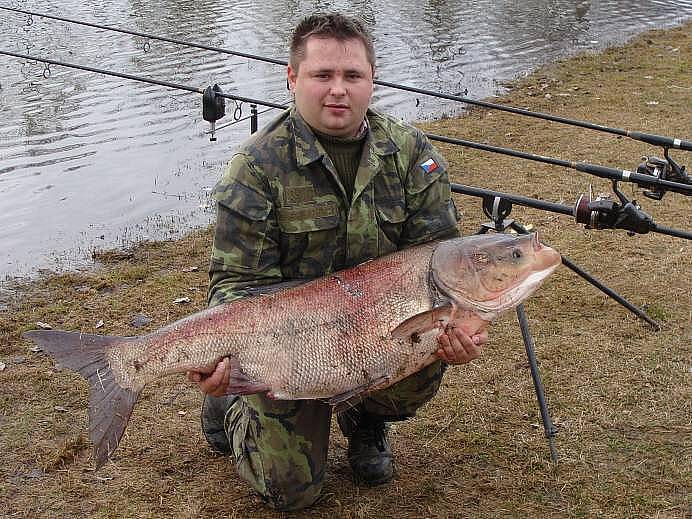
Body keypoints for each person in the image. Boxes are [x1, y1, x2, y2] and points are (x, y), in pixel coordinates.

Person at [187, 12, 488, 511]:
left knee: (426, 354)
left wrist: (464, 325)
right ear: (292, 78)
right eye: (322, 75)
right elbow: (235, 283)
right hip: (286, 345)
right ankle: (233, 401)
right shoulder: (256, 168)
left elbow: (442, 260)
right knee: (293, 494)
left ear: (372, 80)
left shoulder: (411, 153)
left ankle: (364, 419)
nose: (338, 91)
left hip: (374, 331)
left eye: (353, 76)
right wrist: (224, 354)